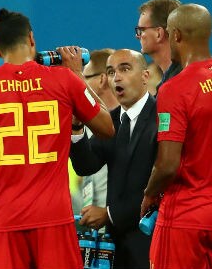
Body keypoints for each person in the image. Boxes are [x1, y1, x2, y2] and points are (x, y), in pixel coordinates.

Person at [0, 8, 114, 269]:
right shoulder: (63, 79)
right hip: (54, 219)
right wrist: (78, 76)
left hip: (4, 221)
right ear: (32, 39)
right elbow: (107, 127)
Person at [141, 4, 212, 269]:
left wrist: (149, 194)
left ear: (176, 36)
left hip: (185, 217)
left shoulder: (174, 89)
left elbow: (167, 165)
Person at [70, 49, 157, 269]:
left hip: (152, 239)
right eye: (111, 72)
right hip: (116, 247)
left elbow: (161, 183)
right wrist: (77, 126)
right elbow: (85, 165)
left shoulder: (161, 115)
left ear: (145, 76)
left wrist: (109, 214)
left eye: (125, 69)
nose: (116, 77)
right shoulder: (112, 121)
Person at [79, 48, 118, 213]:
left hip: (119, 221)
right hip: (91, 224)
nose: (80, 83)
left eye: (85, 77)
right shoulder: (85, 124)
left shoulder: (128, 122)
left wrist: (108, 213)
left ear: (102, 79)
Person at [136, 0, 182, 93]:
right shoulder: (168, 83)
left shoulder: (176, 85)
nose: (137, 36)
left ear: (158, 34)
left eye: (141, 30)